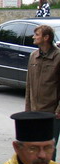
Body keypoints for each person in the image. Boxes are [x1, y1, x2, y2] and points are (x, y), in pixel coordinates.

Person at [25, 24, 60, 156]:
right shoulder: (33, 56)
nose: (33, 37)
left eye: (37, 35)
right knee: (35, 146)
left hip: (52, 112)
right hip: (35, 111)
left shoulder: (58, 57)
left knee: (49, 147)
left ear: (46, 37)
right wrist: (28, 109)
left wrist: (59, 109)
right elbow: (29, 84)